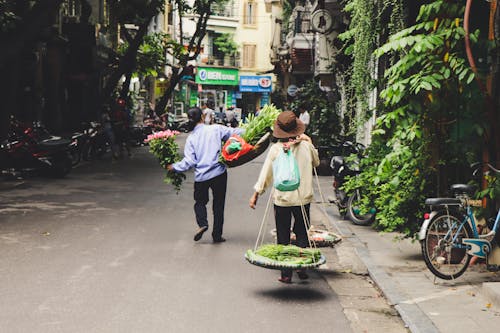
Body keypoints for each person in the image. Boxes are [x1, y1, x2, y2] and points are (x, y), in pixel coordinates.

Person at [249, 111, 320, 284]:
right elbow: (316, 163)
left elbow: (266, 174)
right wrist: (309, 141)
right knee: (302, 233)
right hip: (303, 198)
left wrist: (256, 194)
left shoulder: (276, 149)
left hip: (283, 199)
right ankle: (302, 267)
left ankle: (286, 274)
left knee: (283, 235)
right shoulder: (306, 147)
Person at [167, 107, 244, 243]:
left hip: (201, 176)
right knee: (218, 206)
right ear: (203, 117)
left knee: (200, 203)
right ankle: (217, 235)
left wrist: (174, 167)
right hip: (219, 173)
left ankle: (202, 223)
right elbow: (236, 133)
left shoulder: (191, 138)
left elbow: (190, 161)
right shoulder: (216, 129)